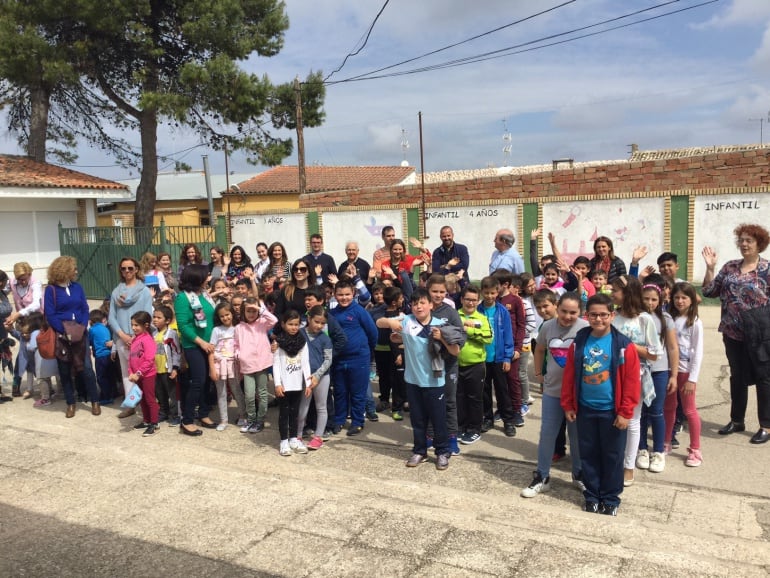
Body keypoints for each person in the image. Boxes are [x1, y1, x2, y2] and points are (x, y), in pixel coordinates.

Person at [562, 294, 641, 516]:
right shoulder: (579, 342)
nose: (599, 319)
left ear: (612, 316)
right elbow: (569, 376)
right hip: (585, 409)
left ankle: (610, 498)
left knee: (613, 456)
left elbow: (632, 383)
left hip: (612, 412)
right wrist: (568, 404)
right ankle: (592, 495)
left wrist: (625, 412)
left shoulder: (624, 346)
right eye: (594, 315)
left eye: (604, 315)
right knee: (588, 454)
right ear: (587, 316)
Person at [377, 288, 461, 470]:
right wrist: (392, 323)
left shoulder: (441, 324)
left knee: (438, 419)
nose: (418, 306)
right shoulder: (406, 321)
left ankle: (442, 452)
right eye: (415, 303)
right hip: (413, 380)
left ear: (431, 305)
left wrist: (443, 339)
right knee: (418, 419)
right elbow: (379, 322)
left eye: (422, 303)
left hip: (435, 381)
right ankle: (420, 451)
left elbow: (455, 351)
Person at [702, 224, 770, 443]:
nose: (744, 244)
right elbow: (709, 291)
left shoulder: (767, 270)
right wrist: (710, 268)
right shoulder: (730, 267)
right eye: (741, 240)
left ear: (760, 244)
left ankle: (766, 426)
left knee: (763, 377)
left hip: (760, 333)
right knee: (737, 376)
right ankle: (737, 420)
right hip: (733, 332)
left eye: (749, 240)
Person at [522, 292, 588, 498]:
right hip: (552, 391)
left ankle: (578, 474)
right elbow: (540, 349)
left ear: (580, 312)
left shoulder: (585, 329)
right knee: (547, 434)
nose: (567, 316)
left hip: (577, 393)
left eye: (573, 312)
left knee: (577, 436)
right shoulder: (548, 327)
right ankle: (542, 476)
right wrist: (539, 374)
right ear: (557, 308)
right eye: (564, 311)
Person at [610, 274, 662, 486]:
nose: (612, 294)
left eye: (615, 290)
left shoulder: (644, 319)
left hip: (635, 376)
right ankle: (613, 461)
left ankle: (628, 466)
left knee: (632, 420)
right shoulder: (612, 316)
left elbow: (654, 353)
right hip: (611, 375)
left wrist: (629, 346)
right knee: (612, 418)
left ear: (627, 293)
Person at [43, 256, 101, 418]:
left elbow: (84, 307)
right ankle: (71, 403)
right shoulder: (51, 290)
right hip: (62, 334)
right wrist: (64, 330)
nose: (76, 271)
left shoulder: (77, 287)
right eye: (73, 268)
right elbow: (50, 314)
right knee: (65, 370)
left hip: (80, 332)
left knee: (87, 369)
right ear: (64, 270)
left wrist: (81, 326)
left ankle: (94, 400)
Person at [636, 278, 678, 474]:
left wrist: (674, 375)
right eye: (646, 298)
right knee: (641, 411)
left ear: (660, 300)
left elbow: (671, 347)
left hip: (659, 371)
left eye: (654, 299)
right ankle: (642, 449)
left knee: (656, 411)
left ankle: (658, 451)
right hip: (638, 370)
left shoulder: (666, 319)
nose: (650, 303)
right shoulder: (634, 317)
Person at [329, 279, 378, 436]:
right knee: (340, 392)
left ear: (354, 294)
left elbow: (373, 333)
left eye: (347, 294)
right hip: (338, 359)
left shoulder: (359, 311)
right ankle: (339, 420)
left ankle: (357, 422)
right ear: (335, 295)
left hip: (359, 358)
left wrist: (366, 351)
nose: (344, 298)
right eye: (340, 295)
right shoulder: (332, 314)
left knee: (358, 392)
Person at [108, 257, 154, 418]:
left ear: (136, 269)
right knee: (127, 373)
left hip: (140, 339)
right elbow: (111, 317)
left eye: (130, 268)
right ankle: (131, 403)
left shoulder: (144, 292)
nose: (127, 271)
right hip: (122, 338)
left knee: (143, 372)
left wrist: (136, 337)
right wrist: (122, 335)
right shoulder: (116, 292)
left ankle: (147, 403)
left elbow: (148, 315)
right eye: (123, 268)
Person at [175, 264, 217, 436]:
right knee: (198, 381)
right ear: (196, 278)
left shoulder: (204, 295)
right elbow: (183, 326)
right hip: (194, 345)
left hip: (210, 344)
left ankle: (203, 413)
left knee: (207, 381)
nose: (209, 278)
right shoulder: (183, 298)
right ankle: (187, 419)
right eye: (205, 276)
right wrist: (201, 342)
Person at [668, 282, 704, 466]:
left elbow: (698, 352)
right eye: (676, 297)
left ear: (692, 300)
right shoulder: (669, 318)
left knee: (689, 410)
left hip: (685, 373)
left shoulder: (695, 322)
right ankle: (666, 442)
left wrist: (692, 379)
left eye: (684, 297)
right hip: (669, 371)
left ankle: (695, 450)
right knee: (669, 408)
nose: (680, 301)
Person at [478, 276, 517, 437]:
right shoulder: (477, 311)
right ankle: (487, 418)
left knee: (502, 391)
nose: (489, 296)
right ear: (481, 293)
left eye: (492, 293)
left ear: (497, 293)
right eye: (486, 293)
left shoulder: (502, 311)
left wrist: (507, 357)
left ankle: (508, 420)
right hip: (482, 359)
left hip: (499, 358)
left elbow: (508, 335)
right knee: (484, 391)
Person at [234, 296, 277, 434]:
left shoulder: (262, 323)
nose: (251, 314)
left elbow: (274, 320)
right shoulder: (239, 328)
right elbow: (235, 345)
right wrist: (238, 354)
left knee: (263, 393)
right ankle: (251, 420)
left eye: (254, 311)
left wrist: (261, 309)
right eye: (248, 311)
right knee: (249, 395)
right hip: (247, 366)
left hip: (262, 363)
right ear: (243, 312)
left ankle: (260, 420)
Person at [273, 309, 313, 456]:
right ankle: (284, 441)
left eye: (296, 324)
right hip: (284, 385)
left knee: (295, 413)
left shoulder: (302, 342)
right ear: (283, 324)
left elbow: (306, 363)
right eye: (290, 324)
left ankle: (294, 439)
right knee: (284, 414)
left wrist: (308, 384)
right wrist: (277, 383)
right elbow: (276, 365)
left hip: (297, 384)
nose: (294, 327)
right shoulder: (278, 342)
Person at [457, 284, 492, 445]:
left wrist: (468, 330)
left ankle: (474, 429)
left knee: (475, 398)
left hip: (476, 365)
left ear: (478, 301)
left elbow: (488, 338)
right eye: (467, 300)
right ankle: (461, 426)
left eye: (474, 300)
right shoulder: (455, 316)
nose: (470, 303)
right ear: (462, 299)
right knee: (459, 397)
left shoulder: (482, 318)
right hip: (456, 364)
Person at [298, 305, 334, 450]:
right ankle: (298, 434)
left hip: (321, 377)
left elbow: (328, 360)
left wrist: (317, 376)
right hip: (303, 377)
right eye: (316, 321)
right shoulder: (299, 334)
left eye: (322, 323)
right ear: (309, 318)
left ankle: (318, 436)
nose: (319, 325)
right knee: (302, 407)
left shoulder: (325, 339)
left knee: (321, 407)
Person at [209, 302, 246, 431]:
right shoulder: (216, 330)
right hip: (219, 364)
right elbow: (211, 350)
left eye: (227, 314)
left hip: (233, 365)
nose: (225, 318)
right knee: (221, 392)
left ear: (232, 314)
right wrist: (212, 368)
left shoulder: (238, 328)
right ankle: (223, 420)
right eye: (222, 316)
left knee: (237, 390)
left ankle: (243, 415)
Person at [127, 311, 161, 437]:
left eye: (137, 325)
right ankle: (146, 421)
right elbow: (131, 358)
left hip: (147, 375)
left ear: (146, 325)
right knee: (141, 398)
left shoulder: (147, 340)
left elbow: (149, 360)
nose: (134, 328)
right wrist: (131, 372)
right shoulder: (135, 339)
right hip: (137, 375)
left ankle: (154, 424)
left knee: (150, 399)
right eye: (132, 325)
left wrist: (139, 373)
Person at [152, 305, 181, 426]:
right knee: (159, 393)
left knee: (172, 394)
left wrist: (175, 368)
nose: (155, 320)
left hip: (167, 370)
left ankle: (175, 415)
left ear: (167, 320)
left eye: (159, 317)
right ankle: (163, 412)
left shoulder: (171, 334)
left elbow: (176, 351)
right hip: (156, 370)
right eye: (154, 317)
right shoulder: (153, 334)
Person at [27, 313, 59, 407]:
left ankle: (45, 398)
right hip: (53, 357)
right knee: (57, 375)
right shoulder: (49, 330)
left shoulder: (35, 333)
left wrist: (27, 344)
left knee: (42, 378)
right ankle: (61, 393)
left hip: (41, 359)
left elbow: (32, 347)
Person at [89, 309, 114, 405]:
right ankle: (110, 394)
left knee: (101, 377)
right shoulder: (105, 328)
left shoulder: (92, 330)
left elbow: (89, 341)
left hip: (100, 356)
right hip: (109, 354)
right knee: (109, 376)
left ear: (91, 320)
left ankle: (106, 397)